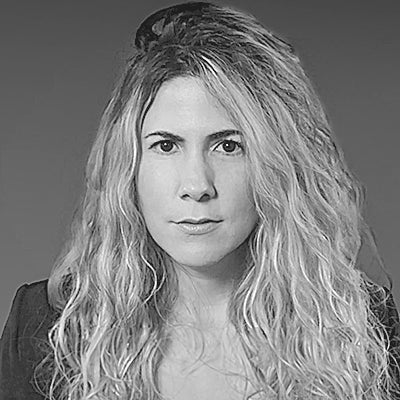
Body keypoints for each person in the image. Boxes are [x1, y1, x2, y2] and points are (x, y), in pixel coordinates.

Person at [1, 2, 399, 399]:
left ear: (278, 165)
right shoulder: (46, 324)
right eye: (166, 145)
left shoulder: (361, 327)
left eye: (229, 146)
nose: (196, 185)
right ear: (128, 166)